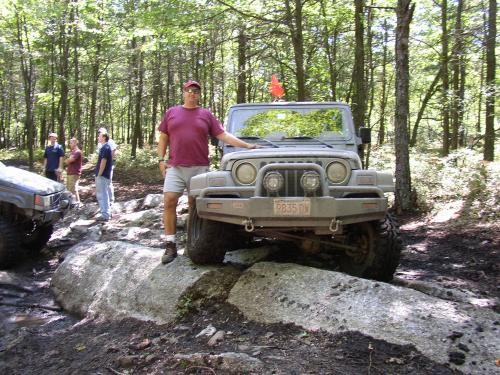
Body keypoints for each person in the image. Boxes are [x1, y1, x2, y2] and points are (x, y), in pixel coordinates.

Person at [157, 79, 258, 264]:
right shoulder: (171, 113)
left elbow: (222, 135)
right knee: (169, 200)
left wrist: (247, 146)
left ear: (199, 94)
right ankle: (170, 245)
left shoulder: (205, 114)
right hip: (175, 166)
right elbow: (163, 137)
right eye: (189, 90)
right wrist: (161, 159)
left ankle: (192, 244)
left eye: (195, 91)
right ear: (183, 92)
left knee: (195, 207)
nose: (192, 93)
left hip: (200, 167)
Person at [95, 132, 113, 221]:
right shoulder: (104, 147)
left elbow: (103, 161)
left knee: (102, 194)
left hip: (103, 175)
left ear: (104, 137)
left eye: (99, 136)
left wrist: (99, 174)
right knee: (103, 193)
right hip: (104, 175)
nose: (98, 137)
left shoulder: (106, 148)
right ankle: (106, 212)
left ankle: (105, 214)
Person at [97, 127, 118, 204]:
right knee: (102, 181)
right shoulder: (99, 143)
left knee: (108, 181)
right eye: (99, 132)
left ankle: (111, 200)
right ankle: (104, 199)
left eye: (101, 133)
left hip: (110, 164)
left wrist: (109, 162)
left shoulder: (110, 142)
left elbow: (114, 152)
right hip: (102, 163)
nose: (99, 134)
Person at [64, 137, 83, 204]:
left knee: (73, 189)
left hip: (74, 173)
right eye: (70, 143)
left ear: (75, 143)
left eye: (71, 143)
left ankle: (77, 203)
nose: (70, 144)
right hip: (70, 172)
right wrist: (67, 160)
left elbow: (70, 160)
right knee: (69, 189)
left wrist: (67, 160)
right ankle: (72, 203)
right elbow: (68, 160)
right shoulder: (73, 152)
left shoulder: (77, 151)